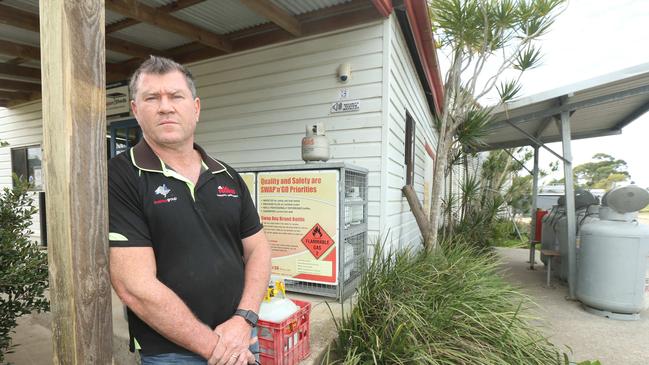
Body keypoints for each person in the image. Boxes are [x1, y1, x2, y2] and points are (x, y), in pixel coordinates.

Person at [108, 55, 271, 365]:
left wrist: (244, 318)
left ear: (195, 108)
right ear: (135, 110)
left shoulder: (227, 175)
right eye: (152, 97)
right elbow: (134, 286)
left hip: (242, 336)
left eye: (175, 96)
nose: (165, 106)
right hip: (173, 353)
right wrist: (217, 349)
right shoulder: (121, 175)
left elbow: (258, 248)